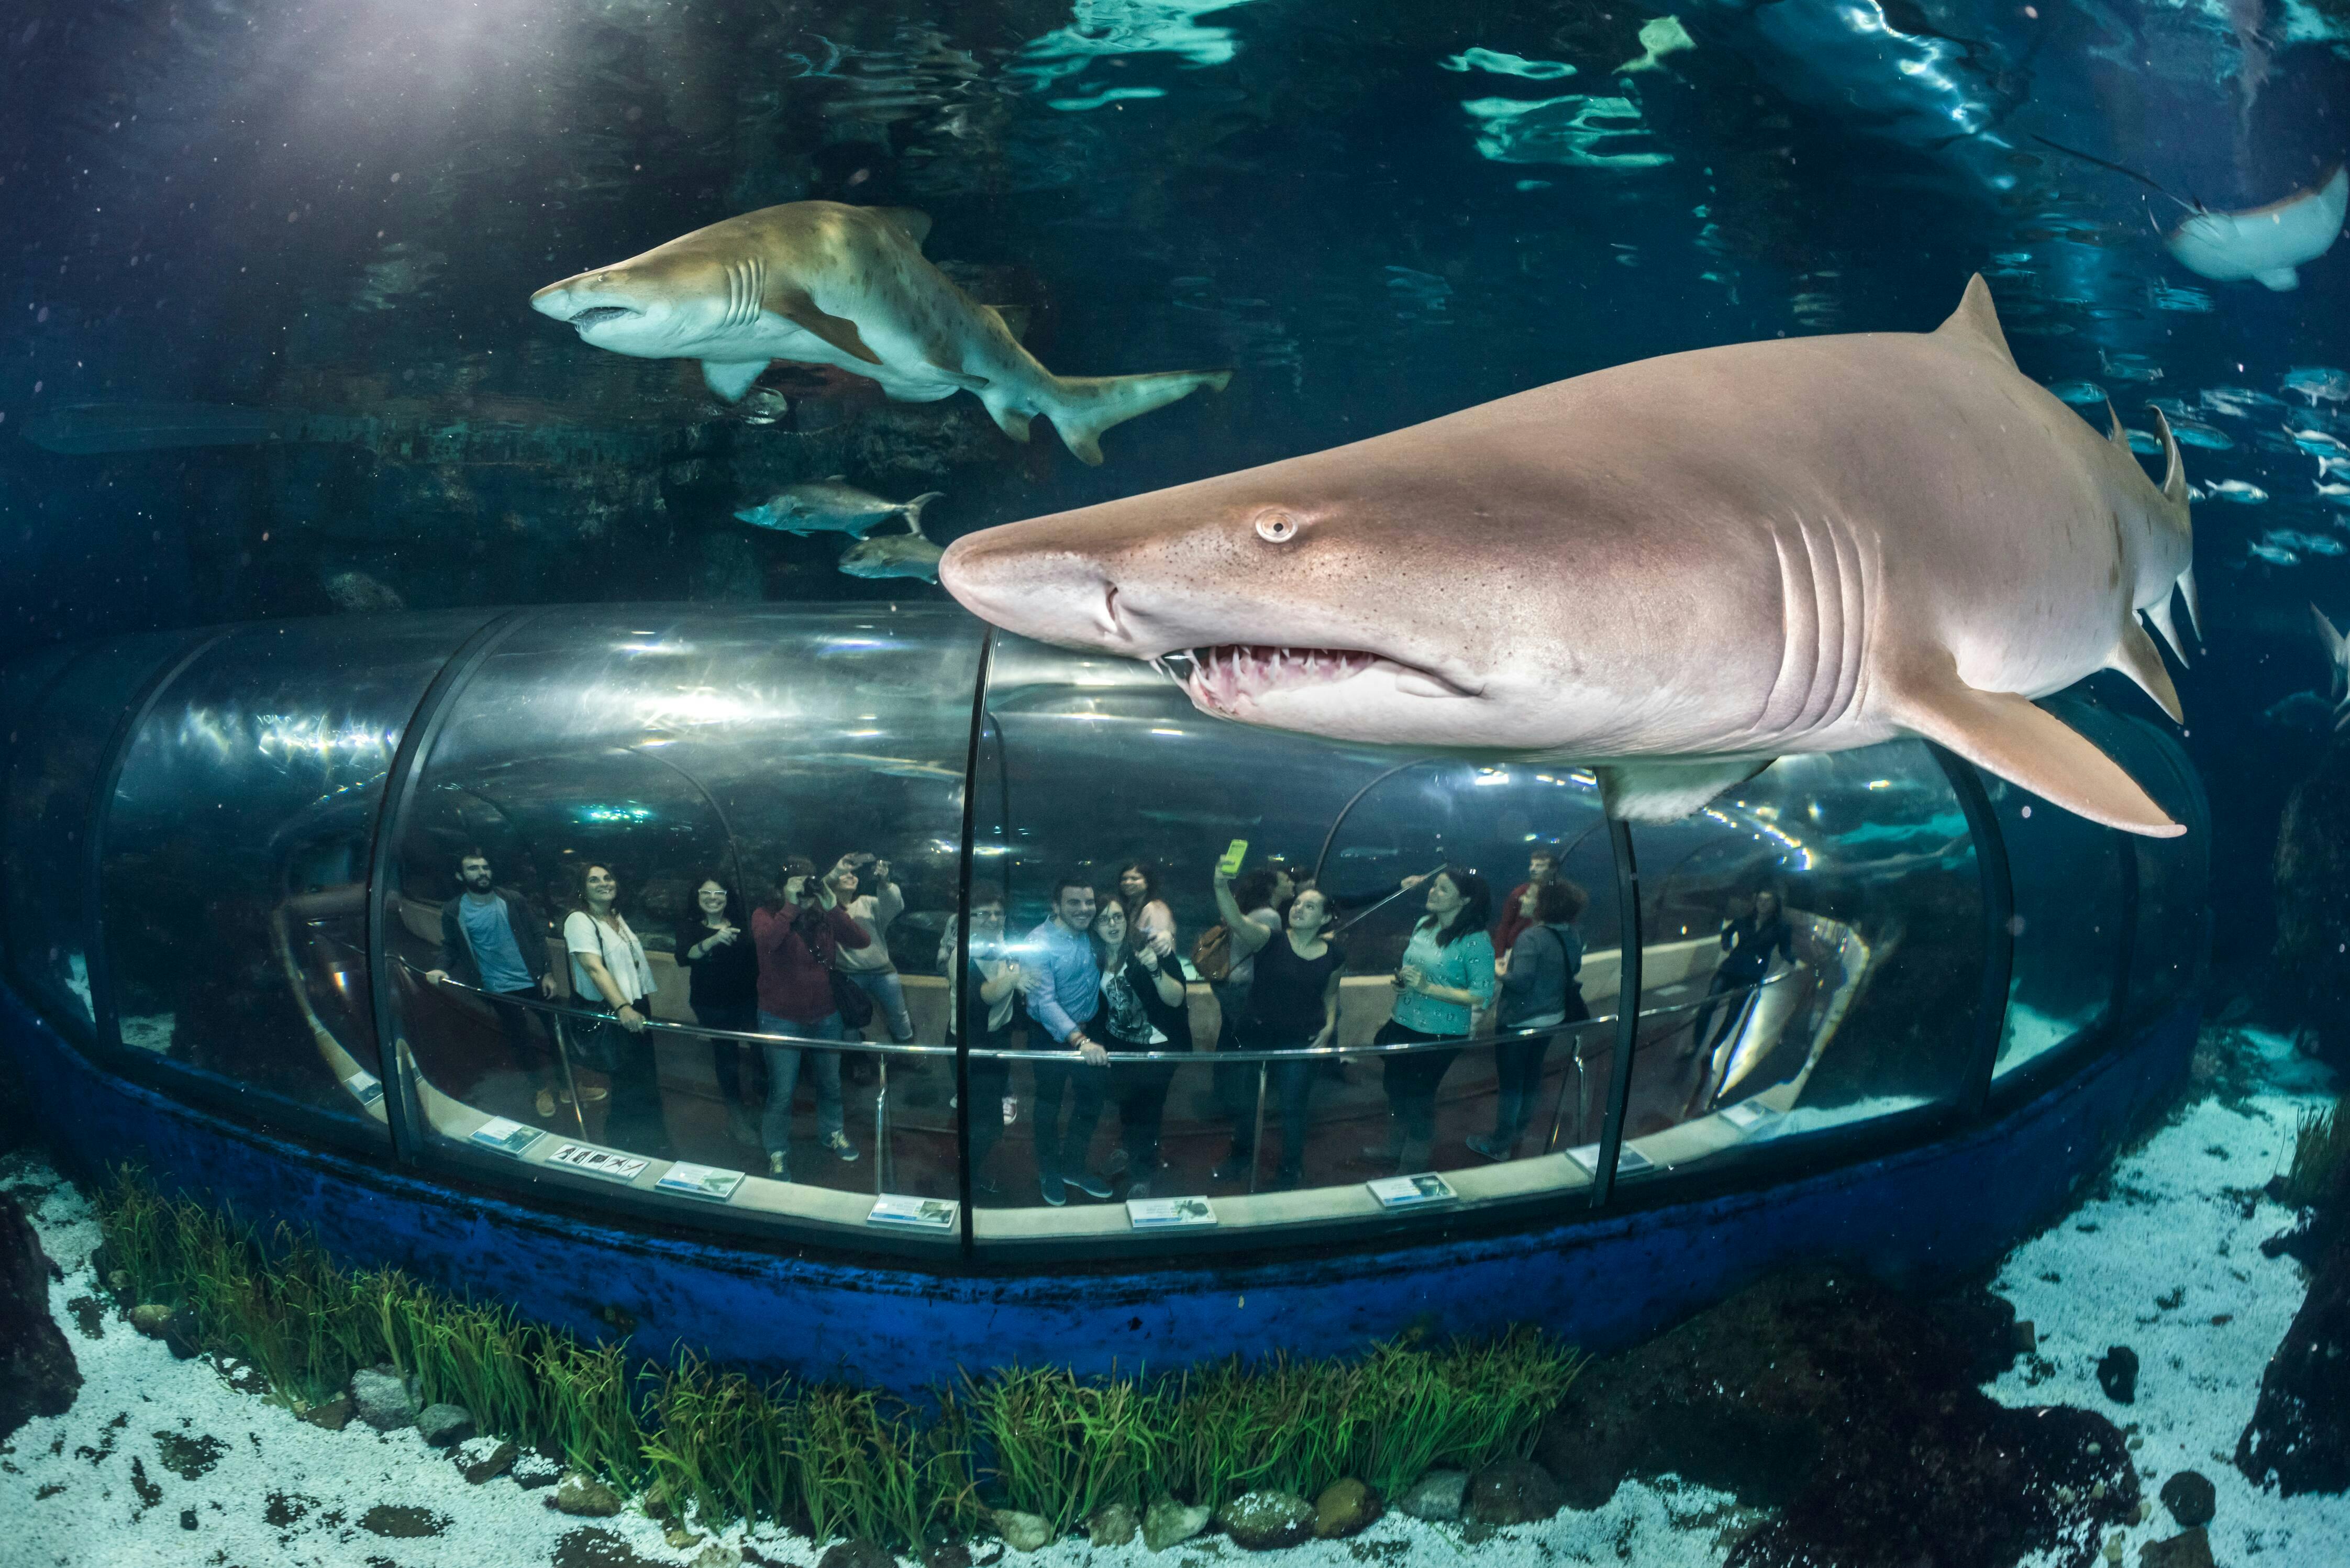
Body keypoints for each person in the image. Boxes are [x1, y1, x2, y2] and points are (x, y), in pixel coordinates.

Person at [1210, 875, 1344, 1190]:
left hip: (1301, 1039)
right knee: (1245, 1103)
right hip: (1256, 1033)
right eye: (1297, 902)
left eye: (1310, 906)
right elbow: (1236, 920)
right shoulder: (1270, 940)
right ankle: (1240, 1157)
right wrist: (1220, 886)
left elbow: (1332, 993)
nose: (1299, 908)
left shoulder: (1335, 954)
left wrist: (1329, 1026)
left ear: (1325, 918)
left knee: (1294, 1108)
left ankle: (1290, 1168)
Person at [1363, 868, 1495, 1173]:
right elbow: (1414, 968)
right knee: (1394, 1087)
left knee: (1419, 1098)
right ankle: (1393, 1147)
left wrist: (1426, 988)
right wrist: (1402, 982)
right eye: (1434, 886)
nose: (1432, 892)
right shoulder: (1424, 925)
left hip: (1440, 1033)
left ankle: (1412, 1165)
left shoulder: (1475, 941)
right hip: (1404, 1020)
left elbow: (1480, 995)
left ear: (1464, 900)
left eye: (1443, 889)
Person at [424, 848, 565, 1120]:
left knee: (558, 1033)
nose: (482, 873)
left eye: (485, 867)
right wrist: (441, 966)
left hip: (534, 980)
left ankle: (569, 1085)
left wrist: (548, 973)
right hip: (498, 987)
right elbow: (451, 946)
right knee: (521, 1040)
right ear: (460, 875)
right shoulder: (454, 910)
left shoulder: (513, 900)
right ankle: (539, 1089)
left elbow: (537, 936)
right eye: (473, 868)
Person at [752, 855, 868, 1180]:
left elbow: (861, 940)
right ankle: (777, 1150)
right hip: (780, 1017)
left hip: (825, 1015)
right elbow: (767, 943)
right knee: (782, 1091)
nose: (804, 886)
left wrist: (832, 905)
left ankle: (832, 1133)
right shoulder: (765, 914)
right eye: (796, 881)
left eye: (808, 880)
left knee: (831, 1083)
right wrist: (790, 907)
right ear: (781, 886)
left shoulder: (823, 915)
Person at [1469, 878, 1589, 1161]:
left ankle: (1500, 1144)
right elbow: (1575, 967)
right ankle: (1520, 1131)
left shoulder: (1531, 938)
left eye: (1531, 897)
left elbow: (1520, 983)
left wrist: (1496, 971)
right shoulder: (1572, 935)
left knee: (1511, 1084)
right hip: (1552, 1017)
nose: (1523, 900)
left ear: (1546, 905)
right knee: (1532, 1077)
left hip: (1520, 1021)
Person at [561, 863, 669, 1158]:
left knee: (643, 1078)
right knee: (628, 1081)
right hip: (614, 1008)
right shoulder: (578, 920)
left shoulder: (615, 917)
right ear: (582, 889)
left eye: (608, 877)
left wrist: (637, 1003)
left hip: (634, 1004)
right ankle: (627, 1147)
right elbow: (594, 968)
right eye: (593, 880)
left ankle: (650, 1142)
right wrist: (622, 1007)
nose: (603, 883)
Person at [1093, 894, 1190, 1199]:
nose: (1112, 924)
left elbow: (1176, 998)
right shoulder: (1094, 958)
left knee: (1149, 1110)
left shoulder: (1150, 949)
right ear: (1095, 925)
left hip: (1158, 1046)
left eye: (1118, 917)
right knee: (1127, 1104)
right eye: (1104, 918)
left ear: (1128, 921)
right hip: (1120, 1045)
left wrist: (1155, 969)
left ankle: (1143, 1171)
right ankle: (1126, 1148)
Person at [1022, 873, 1110, 1207]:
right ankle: (1049, 1171)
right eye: (1074, 902)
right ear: (1055, 905)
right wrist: (1081, 1041)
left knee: (1091, 1100)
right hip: (1052, 1035)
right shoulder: (1038, 942)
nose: (1085, 909)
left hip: (1091, 1030)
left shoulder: (1093, 936)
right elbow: (1043, 1002)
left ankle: (1073, 1166)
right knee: (1048, 1104)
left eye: (1089, 902)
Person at [943, 892, 1023, 1196]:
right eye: (982, 913)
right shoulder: (961, 955)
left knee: (986, 1117)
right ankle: (966, 1180)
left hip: (997, 1038)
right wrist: (1016, 977)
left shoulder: (998, 942)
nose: (992, 919)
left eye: (998, 913)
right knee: (985, 1122)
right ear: (968, 918)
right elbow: (983, 998)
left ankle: (969, 1172)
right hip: (969, 1043)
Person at [677, 873, 760, 1146]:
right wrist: (713, 940)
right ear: (697, 897)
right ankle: (737, 1118)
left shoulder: (742, 924)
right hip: (711, 1003)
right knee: (727, 1059)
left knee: (761, 1055)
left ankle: (761, 1111)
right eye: (706, 893)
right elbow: (684, 956)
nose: (713, 898)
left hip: (748, 1000)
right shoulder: (690, 926)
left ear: (728, 897)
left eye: (719, 893)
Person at [1209, 865, 1289, 1120]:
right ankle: (1241, 1107)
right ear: (1272, 887)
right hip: (1245, 988)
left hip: (1228, 983)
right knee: (1248, 1049)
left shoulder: (1250, 911)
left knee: (1229, 1042)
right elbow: (1275, 957)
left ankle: (1222, 1099)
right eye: (1285, 879)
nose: (1291, 882)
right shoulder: (1269, 916)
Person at [1686, 885, 1797, 1066]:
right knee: (1707, 1006)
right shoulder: (1743, 921)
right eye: (1760, 900)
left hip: (1751, 975)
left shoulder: (1781, 928)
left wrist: (1794, 961)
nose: (1763, 904)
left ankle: (1711, 1049)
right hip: (1729, 969)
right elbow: (1727, 933)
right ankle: (1696, 1044)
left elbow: (1785, 951)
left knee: (1732, 1015)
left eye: (1767, 901)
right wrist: (1726, 945)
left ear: (1776, 904)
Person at [832, 852, 915, 1051]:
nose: (851, 876)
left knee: (899, 1015)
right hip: (849, 973)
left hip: (882, 971)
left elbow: (894, 905)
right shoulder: (828, 911)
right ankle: (856, 1059)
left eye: (854, 874)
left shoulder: (868, 903)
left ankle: (909, 1053)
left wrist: (885, 883)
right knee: (849, 1018)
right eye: (845, 874)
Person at [1492, 847, 1561, 960]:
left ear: (1553, 869)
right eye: (1532, 865)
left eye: (1539, 866)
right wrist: (1499, 955)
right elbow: (1505, 924)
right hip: (1518, 949)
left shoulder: (1561, 894)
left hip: (1549, 951)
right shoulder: (1520, 893)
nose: (1533, 869)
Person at [1113, 859, 1176, 950]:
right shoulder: (1132, 907)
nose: (1128, 882)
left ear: (1148, 882)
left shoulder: (1154, 908)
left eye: (1134, 879)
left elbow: (1159, 945)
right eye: (1124, 879)